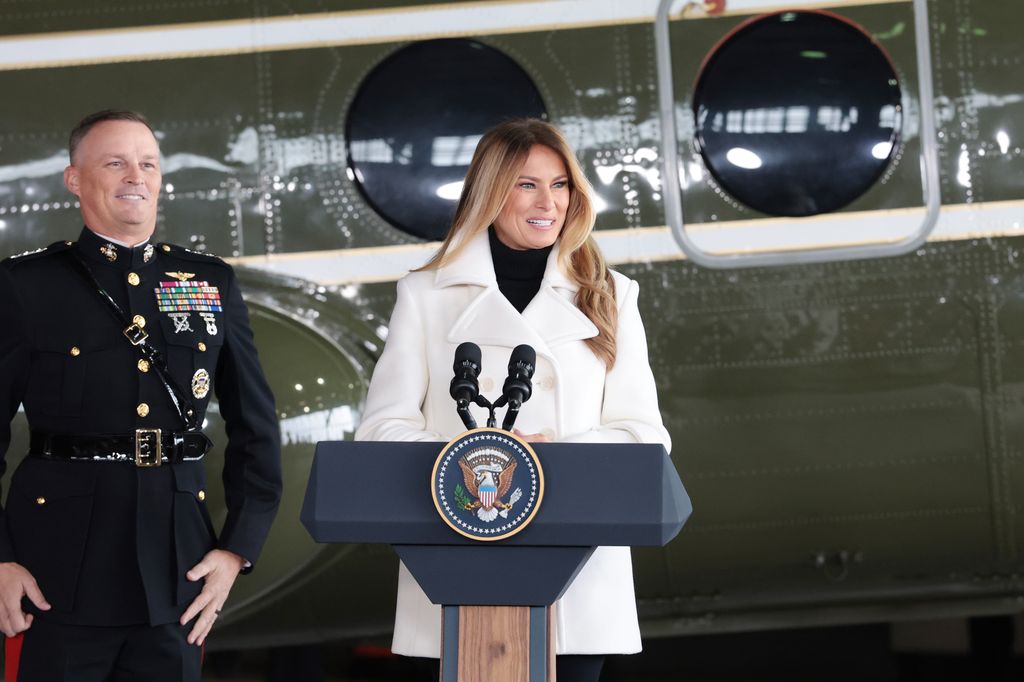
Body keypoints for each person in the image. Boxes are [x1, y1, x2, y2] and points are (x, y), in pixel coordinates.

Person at [355, 119, 671, 682]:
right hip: (459, 566)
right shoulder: (425, 295)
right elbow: (383, 428)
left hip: (576, 571)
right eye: (527, 184)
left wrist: (553, 456)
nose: (547, 201)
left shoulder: (613, 295)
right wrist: (471, 456)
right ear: (490, 192)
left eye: (560, 185)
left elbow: (646, 436)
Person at [0, 110, 282, 681]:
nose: (136, 175)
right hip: (55, 569)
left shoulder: (208, 282)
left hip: (176, 569)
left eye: (148, 163)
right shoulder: (25, 286)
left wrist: (236, 552)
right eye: (115, 162)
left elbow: (257, 426)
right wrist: (0, 558)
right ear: (75, 179)